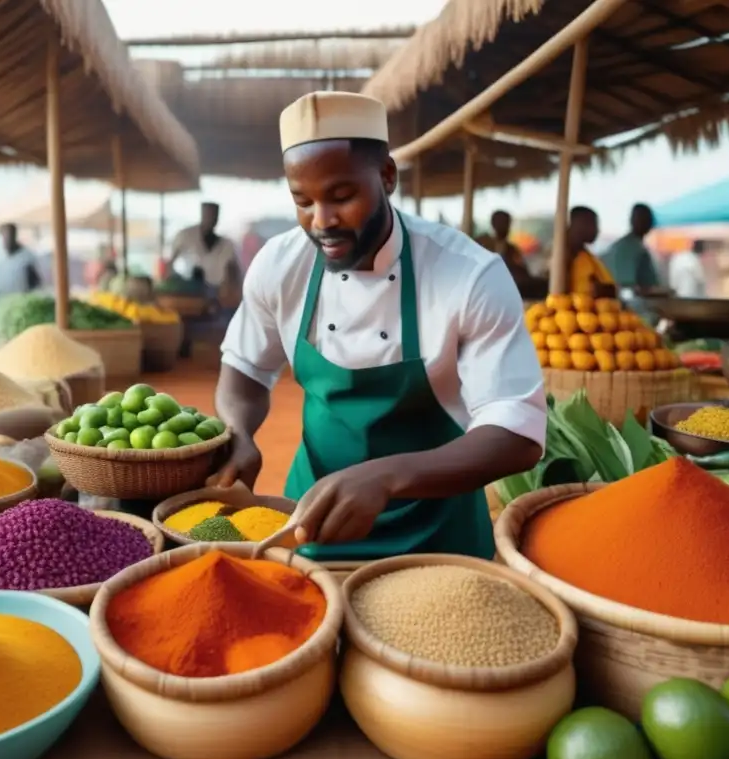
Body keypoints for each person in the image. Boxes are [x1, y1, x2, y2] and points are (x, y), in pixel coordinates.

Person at [211, 91, 546, 561]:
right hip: (310, 525)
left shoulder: (469, 275)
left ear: (387, 176)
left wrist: (386, 477)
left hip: (438, 542)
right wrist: (239, 431)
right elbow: (245, 367)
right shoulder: (279, 264)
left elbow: (517, 430)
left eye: (341, 196)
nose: (321, 221)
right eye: (302, 201)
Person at [170, 203, 240, 290]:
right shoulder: (186, 236)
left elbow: (234, 271)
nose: (210, 218)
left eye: (213, 215)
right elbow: (170, 261)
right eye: (208, 214)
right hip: (187, 290)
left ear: (217, 218)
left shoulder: (227, 245)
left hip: (217, 293)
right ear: (202, 214)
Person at [601, 204, 661, 294]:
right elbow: (625, 286)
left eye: (648, 219)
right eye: (642, 219)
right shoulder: (627, 248)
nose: (647, 223)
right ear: (632, 221)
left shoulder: (637, 246)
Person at [567, 206, 615, 298]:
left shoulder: (584, 255)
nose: (598, 230)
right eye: (594, 224)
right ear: (580, 224)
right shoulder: (565, 256)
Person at [0, 223, 41, 296]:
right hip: (0, 299)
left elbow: (35, 282)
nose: (7, 238)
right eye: (4, 235)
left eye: (10, 235)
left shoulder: (27, 256)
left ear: (15, 235)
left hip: (20, 299)